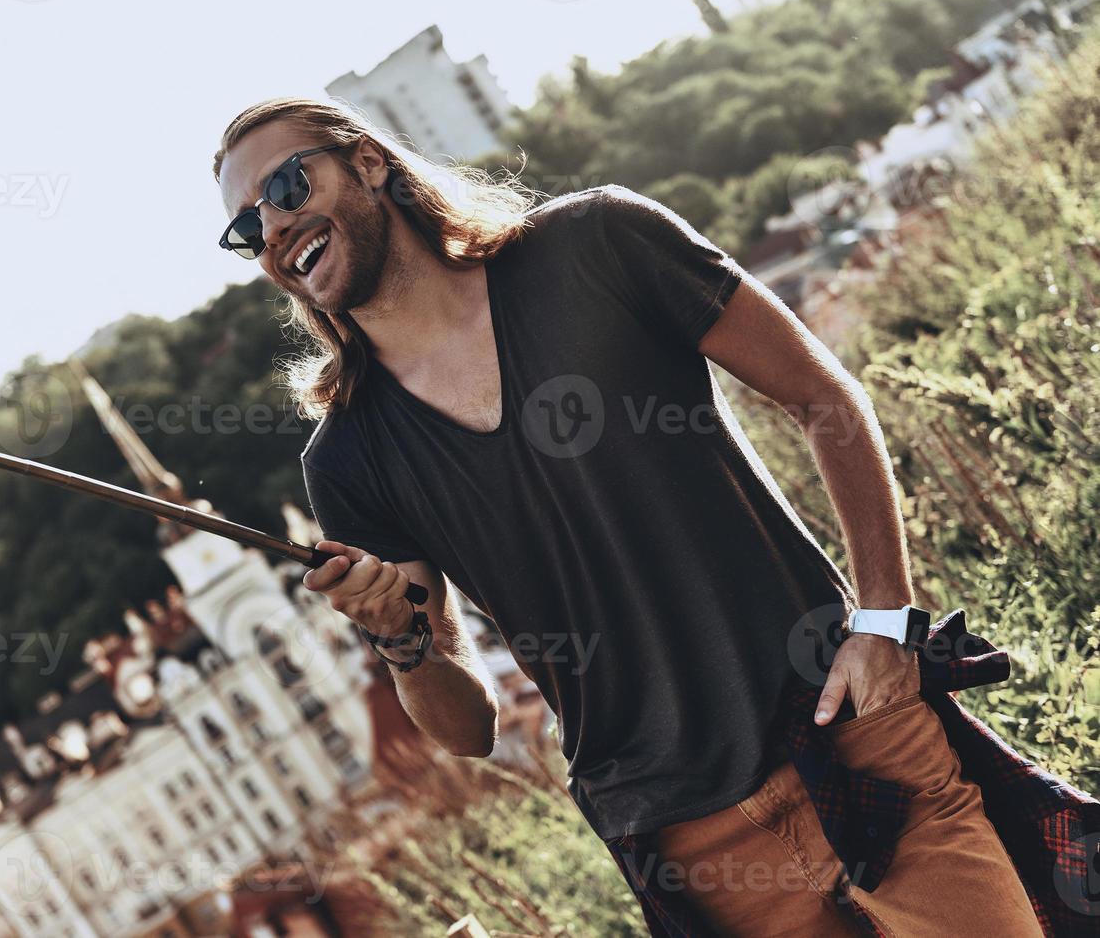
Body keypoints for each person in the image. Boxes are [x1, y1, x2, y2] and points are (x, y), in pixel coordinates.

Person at [212, 96, 1047, 935]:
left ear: (367, 162)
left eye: (286, 185)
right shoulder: (348, 462)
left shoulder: (598, 244)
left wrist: (883, 622)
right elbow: (467, 727)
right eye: (248, 229)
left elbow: (821, 396)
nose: (274, 229)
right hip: (689, 843)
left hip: (851, 731)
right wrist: (402, 642)